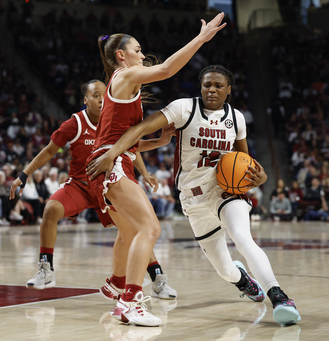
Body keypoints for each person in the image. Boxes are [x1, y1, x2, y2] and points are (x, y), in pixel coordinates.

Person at [87, 65, 301, 326]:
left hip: (225, 190)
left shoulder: (237, 118)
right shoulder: (183, 109)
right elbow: (141, 128)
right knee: (225, 270)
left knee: (243, 238)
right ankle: (243, 280)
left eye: (218, 86)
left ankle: (279, 297)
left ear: (229, 90)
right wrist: (111, 153)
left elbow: (245, 160)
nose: (212, 89)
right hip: (193, 198)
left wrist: (262, 177)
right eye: (207, 85)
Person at [85, 15, 227, 327]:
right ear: (121, 55)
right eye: (137, 48)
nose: (141, 52)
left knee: (131, 231)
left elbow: (123, 139)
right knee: (151, 229)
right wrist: (201, 39)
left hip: (108, 160)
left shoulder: (122, 83)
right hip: (111, 163)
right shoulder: (126, 75)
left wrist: (157, 141)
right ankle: (131, 301)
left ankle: (116, 284)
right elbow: (165, 69)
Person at [10, 80, 177, 301]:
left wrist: (147, 167)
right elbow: (50, 150)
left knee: (135, 230)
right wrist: (24, 174)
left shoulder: (113, 122)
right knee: (51, 209)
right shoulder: (76, 123)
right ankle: (46, 269)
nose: (101, 99)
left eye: (104, 95)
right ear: (85, 100)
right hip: (80, 186)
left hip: (109, 188)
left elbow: (131, 146)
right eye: (96, 95)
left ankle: (157, 279)